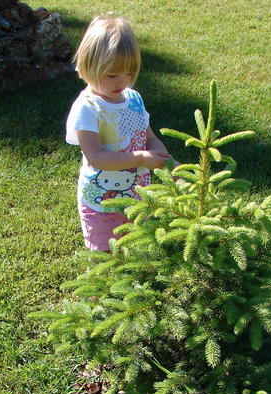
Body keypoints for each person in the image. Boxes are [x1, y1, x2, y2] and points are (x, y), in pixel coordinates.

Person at [65, 14, 171, 252]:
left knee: (136, 252)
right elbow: (96, 156)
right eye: (112, 74)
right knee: (103, 257)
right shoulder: (88, 108)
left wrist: (170, 164)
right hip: (101, 202)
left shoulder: (133, 99)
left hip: (137, 200)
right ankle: (98, 291)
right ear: (89, 66)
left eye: (130, 73)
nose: (122, 81)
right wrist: (140, 158)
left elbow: (150, 138)